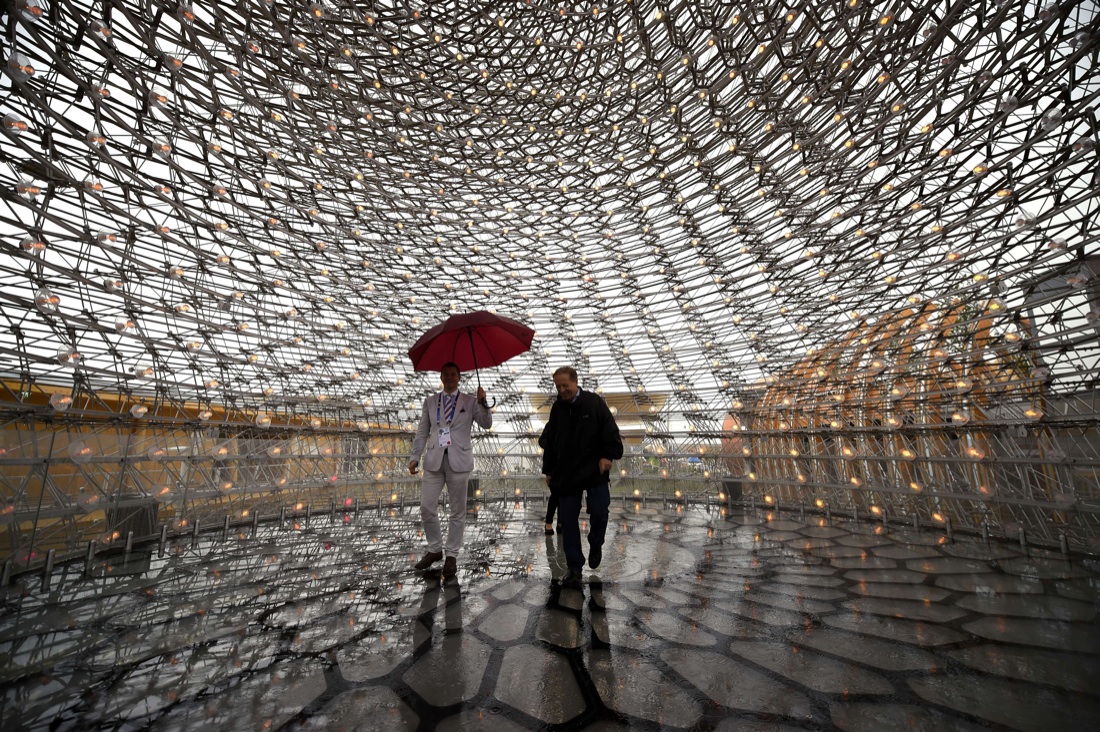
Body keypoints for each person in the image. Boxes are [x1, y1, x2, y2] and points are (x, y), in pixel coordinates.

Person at [539, 366, 623, 587]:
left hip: (595, 470)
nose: (562, 390)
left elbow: (610, 431)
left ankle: (596, 543)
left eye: (565, 385)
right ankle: (574, 566)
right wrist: (548, 470)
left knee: (599, 511)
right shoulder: (557, 409)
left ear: (576, 382)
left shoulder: (594, 403)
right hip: (567, 473)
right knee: (567, 519)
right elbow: (550, 441)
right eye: (558, 386)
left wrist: (607, 455)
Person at [409, 362, 492, 578]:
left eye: (453, 374)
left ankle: (452, 554)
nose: (449, 377)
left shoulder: (470, 401)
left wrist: (484, 402)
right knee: (427, 507)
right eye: (446, 374)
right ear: (441, 377)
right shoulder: (430, 402)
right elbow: (422, 432)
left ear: (459, 377)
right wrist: (414, 457)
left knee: (458, 511)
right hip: (434, 460)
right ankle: (435, 549)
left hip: (459, 460)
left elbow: (486, 423)